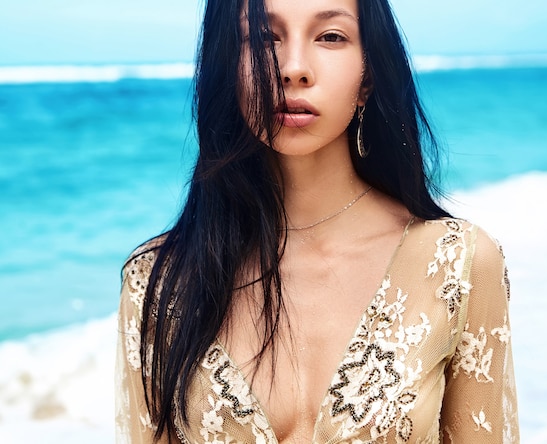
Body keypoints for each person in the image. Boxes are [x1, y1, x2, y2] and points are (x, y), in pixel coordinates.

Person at [115, 0, 519, 442]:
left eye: (330, 37)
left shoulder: (457, 263)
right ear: (227, 66)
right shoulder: (158, 278)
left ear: (369, 76)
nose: (293, 68)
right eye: (264, 37)